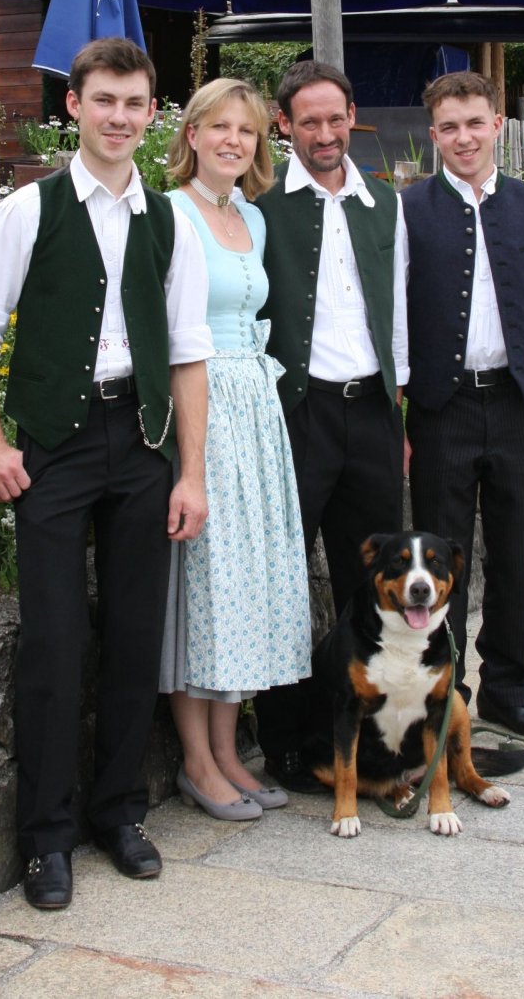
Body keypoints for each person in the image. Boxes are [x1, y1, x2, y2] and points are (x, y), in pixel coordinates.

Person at [0, 38, 212, 911]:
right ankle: (47, 840)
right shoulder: (26, 212)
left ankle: (120, 814)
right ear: (74, 105)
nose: (119, 118)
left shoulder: (171, 219)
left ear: (152, 113)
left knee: (136, 637)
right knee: (55, 647)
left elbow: (188, 356)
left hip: (142, 447)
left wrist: (191, 474)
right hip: (53, 450)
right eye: (104, 101)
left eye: (135, 104)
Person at [402, 70, 524, 741]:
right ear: (433, 136)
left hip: (519, 406)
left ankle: (508, 692)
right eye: (449, 127)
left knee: (516, 556)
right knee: (440, 563)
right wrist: (399, 410)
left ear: (497, 126)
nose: (463, 137)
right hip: (440, 409)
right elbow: (391, 320)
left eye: (474, 123)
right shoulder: (406, 211)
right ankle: (444, 694)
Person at [254, 60, 409, 791]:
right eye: (308, 120)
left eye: (335, 118)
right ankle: (285, 740)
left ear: (354, 118)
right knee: (286, 582)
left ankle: (377, 736)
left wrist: (398, 405)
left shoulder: (384, 205)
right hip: (298, 411)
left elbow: (396, 308)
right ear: (284, 125)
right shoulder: (260, 208)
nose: (324, 133)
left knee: (371, 581)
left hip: (372, 409)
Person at [159, 78, 312, 820]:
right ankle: (196, 759)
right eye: (217, 126)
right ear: (190, 134)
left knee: (244, 587)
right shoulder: (172, 214)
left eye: (246, 131)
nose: (232, 141)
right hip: (205, 409)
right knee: (206, 588)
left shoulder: (250, 215)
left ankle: (228, 751)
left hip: (256, 409)